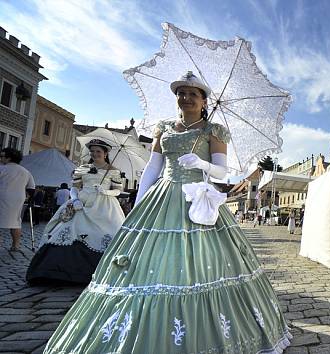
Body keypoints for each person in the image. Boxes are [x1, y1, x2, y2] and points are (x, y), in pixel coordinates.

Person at [44, 72, 291, 353]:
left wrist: (203, 163)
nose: (185, 98)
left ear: (203, 101)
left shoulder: (214, 131)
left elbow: (222, 172)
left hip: (196, 199)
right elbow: (152, 168)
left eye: (192, 94)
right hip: (163, 196)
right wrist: (138, 204)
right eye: (181, 93)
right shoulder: (164, 129)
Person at [26, 139, 125, 284]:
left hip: (104, 205)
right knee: (68, 230)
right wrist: (75, 199)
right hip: (82, 203)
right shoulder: (83, 168)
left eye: (98, 151)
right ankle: (56, 271)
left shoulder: (113, 170)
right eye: (92, 151)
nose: (95, 154)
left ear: (105, 153)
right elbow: (75, 187)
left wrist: (105, 192)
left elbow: (118, 191)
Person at [0, 148, 35, 251]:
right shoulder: (26, 172)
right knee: (15, 222)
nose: (1, 158)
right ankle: (15, 245)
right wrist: (29, 198)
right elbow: (31, 188)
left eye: (2, 156)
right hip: (18, 199)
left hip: (2, 196)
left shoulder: (2, 169)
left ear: (9, 158)